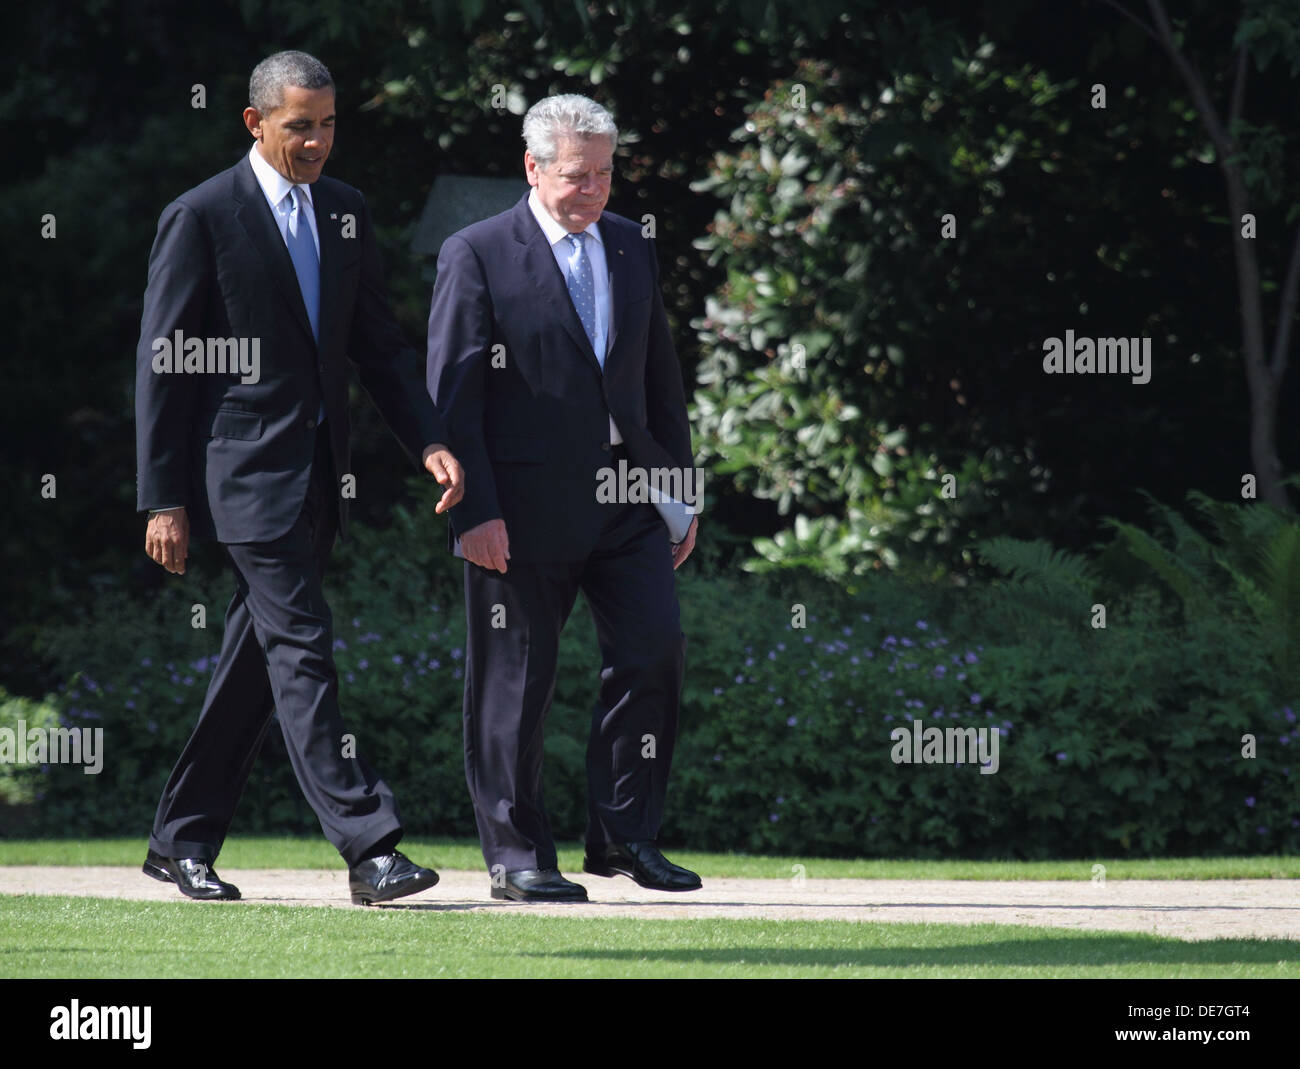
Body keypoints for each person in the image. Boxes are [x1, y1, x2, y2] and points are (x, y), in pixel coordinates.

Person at [135, 50, 463, 906]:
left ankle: (179, 841)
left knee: (256, 665)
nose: (317, 141)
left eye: (326, 124)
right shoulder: (201, 215)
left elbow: (380, 348)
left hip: (320, 476)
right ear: (255, 123)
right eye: (299, 127)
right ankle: (370, 845)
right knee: (304, 649)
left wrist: (426, 439)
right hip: (239, 477)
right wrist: (162, 496)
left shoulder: (346, 213)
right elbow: (163, 364)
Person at [426, 93, 701, 901]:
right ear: (533, 167)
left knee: (654, 650)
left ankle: (623, 836)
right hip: (518, 508)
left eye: (606, 173)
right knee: (516, 681)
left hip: (628, 504)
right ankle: (517, 856)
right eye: (579, 176)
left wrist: (677, 491)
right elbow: (453, 396)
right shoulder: (475, 252)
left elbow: (660, 379)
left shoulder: (628, 245)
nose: (596, 190)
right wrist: (474, 511)